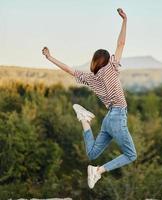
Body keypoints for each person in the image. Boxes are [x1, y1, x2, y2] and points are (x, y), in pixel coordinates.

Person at [42, 8, 137, 189]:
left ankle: (85, 120)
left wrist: (50, 57)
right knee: (131, 155)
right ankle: (98, 171)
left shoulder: (91, 78)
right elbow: (122, 43)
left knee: (92, 154)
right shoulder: (112, 68)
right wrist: (125, 20)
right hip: (116, 117)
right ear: (108, 60)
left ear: (94, 62)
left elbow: (69, 70)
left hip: (109, 120)